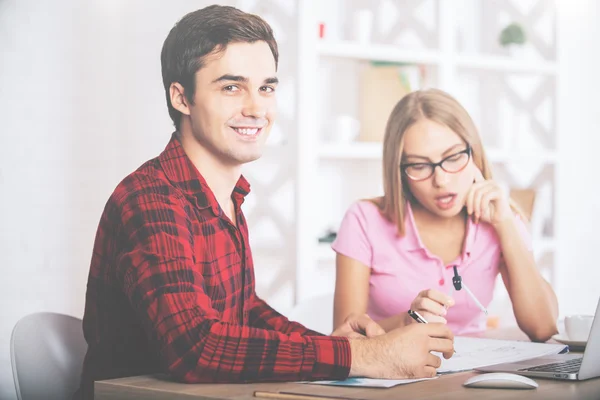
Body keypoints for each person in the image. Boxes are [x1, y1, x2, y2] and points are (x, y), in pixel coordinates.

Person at [75, 6, 455, 399]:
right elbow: (193, 348)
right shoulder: (151, 199)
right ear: (182, 97)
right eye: (231, 87)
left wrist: (344, 348)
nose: (257, 108)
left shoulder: (226, 196)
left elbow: (246, 310)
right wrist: (362, 356)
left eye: (266, 88)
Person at [332, 88, 558, 342]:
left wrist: (505, 224)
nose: (441, 180)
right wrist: (408, 321)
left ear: (474, 153)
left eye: (452, 158)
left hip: (473, 373)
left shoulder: (499, 219)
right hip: (395, 374)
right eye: (419, 165)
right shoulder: (364, 219)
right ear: (399, 171)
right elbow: (344, 338)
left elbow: (543, 327)